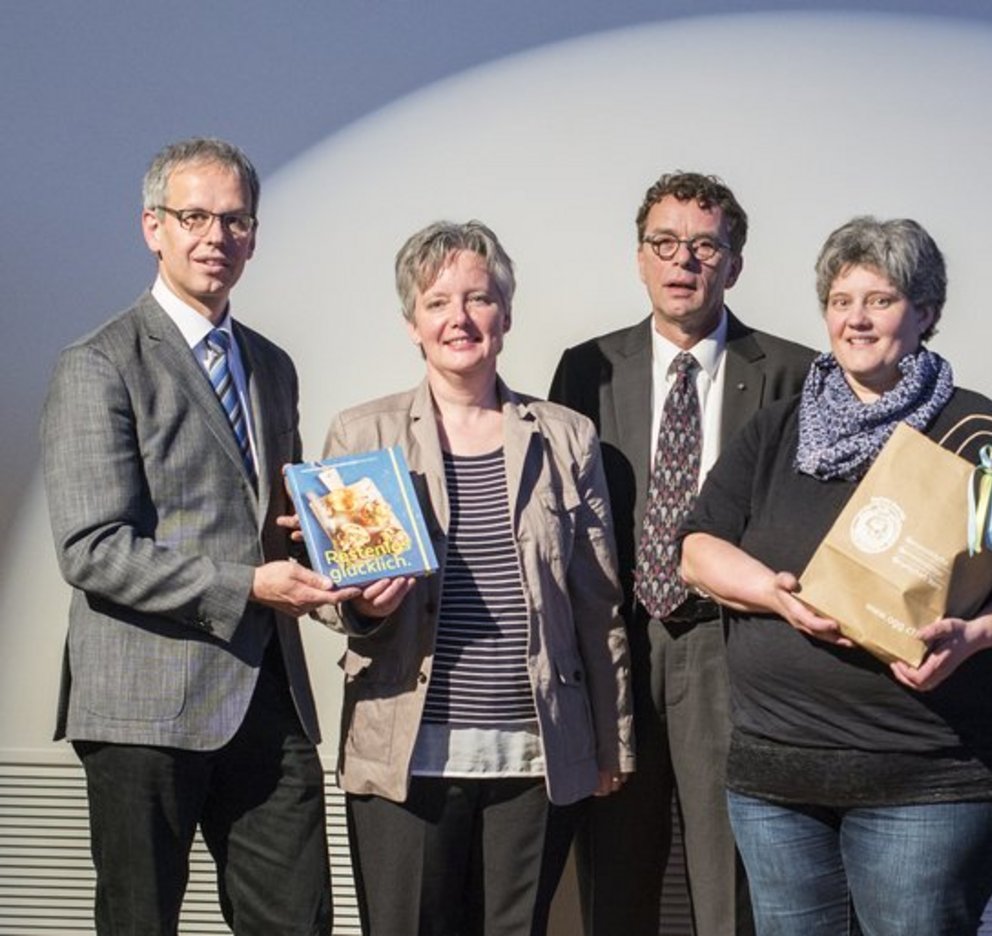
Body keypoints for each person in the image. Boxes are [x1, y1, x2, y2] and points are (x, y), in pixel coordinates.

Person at [679, 216, 992, 935]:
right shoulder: (776, 428)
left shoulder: (981, 437)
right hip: (776, 780)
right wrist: (775, 595)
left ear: (925, 313)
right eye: (840, 299)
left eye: (879, 300)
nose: (856, 319)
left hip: (931, 781)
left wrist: (974, 636)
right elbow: (698, 548)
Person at [39, 137, 342, 935]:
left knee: (298, 922)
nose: (217, 236)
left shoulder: (272, 366)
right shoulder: (98, 364)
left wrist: (337, 551)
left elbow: (273, 520)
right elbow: (92, 548)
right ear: (153, 227)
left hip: (267, 695)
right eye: (195, 216)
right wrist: (245, 584)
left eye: (236, 219)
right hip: (144, 706)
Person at [313, 220, 633, 936]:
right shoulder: (361, 436)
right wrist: (361, 606)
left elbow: (597, 605)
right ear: (411, 324)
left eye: (479, 299)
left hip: (535, 754)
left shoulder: (565, 436)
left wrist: (612, 743)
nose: (459, 318)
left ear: (507, 315)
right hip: (403, 756)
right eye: (437, 302)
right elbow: (335, 602)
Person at [549, 171, 815, 935]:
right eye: (664, 243)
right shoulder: (586, 367)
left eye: (704, 246)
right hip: (616, 650)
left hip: (732, 646)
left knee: (729, 877)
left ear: (734, 264)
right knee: (615, 875)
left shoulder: (791, 373)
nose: (683, 261)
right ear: (639, 258)